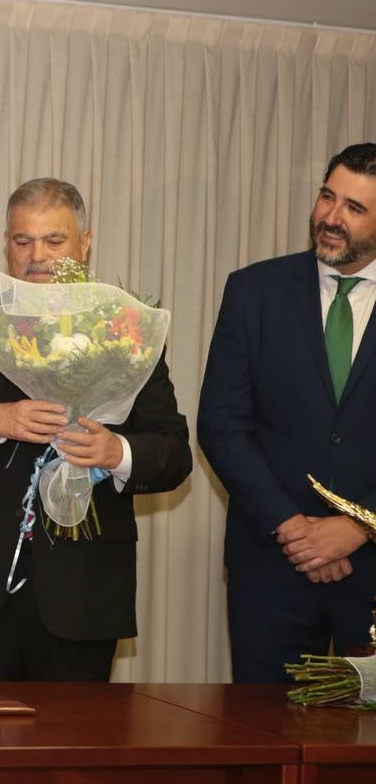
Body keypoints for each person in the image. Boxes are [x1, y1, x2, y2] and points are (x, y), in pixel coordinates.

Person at [0, 177, 191, 681]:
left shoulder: (127, 330)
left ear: (85, 242)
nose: (36, 256)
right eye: (22, 241)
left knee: (73, 756)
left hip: (84, 591)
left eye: (54, 241)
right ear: (7, 244)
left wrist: (115, 452)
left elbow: (173, 452)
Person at [199, 143, 376, 683]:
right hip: (271, 564)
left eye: (354, 208)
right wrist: (292, 528)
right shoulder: (253, 290)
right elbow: (221, 425)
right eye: (327, 197)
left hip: (370, 569)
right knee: (262, 743)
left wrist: (358, 526)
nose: (331, 217)